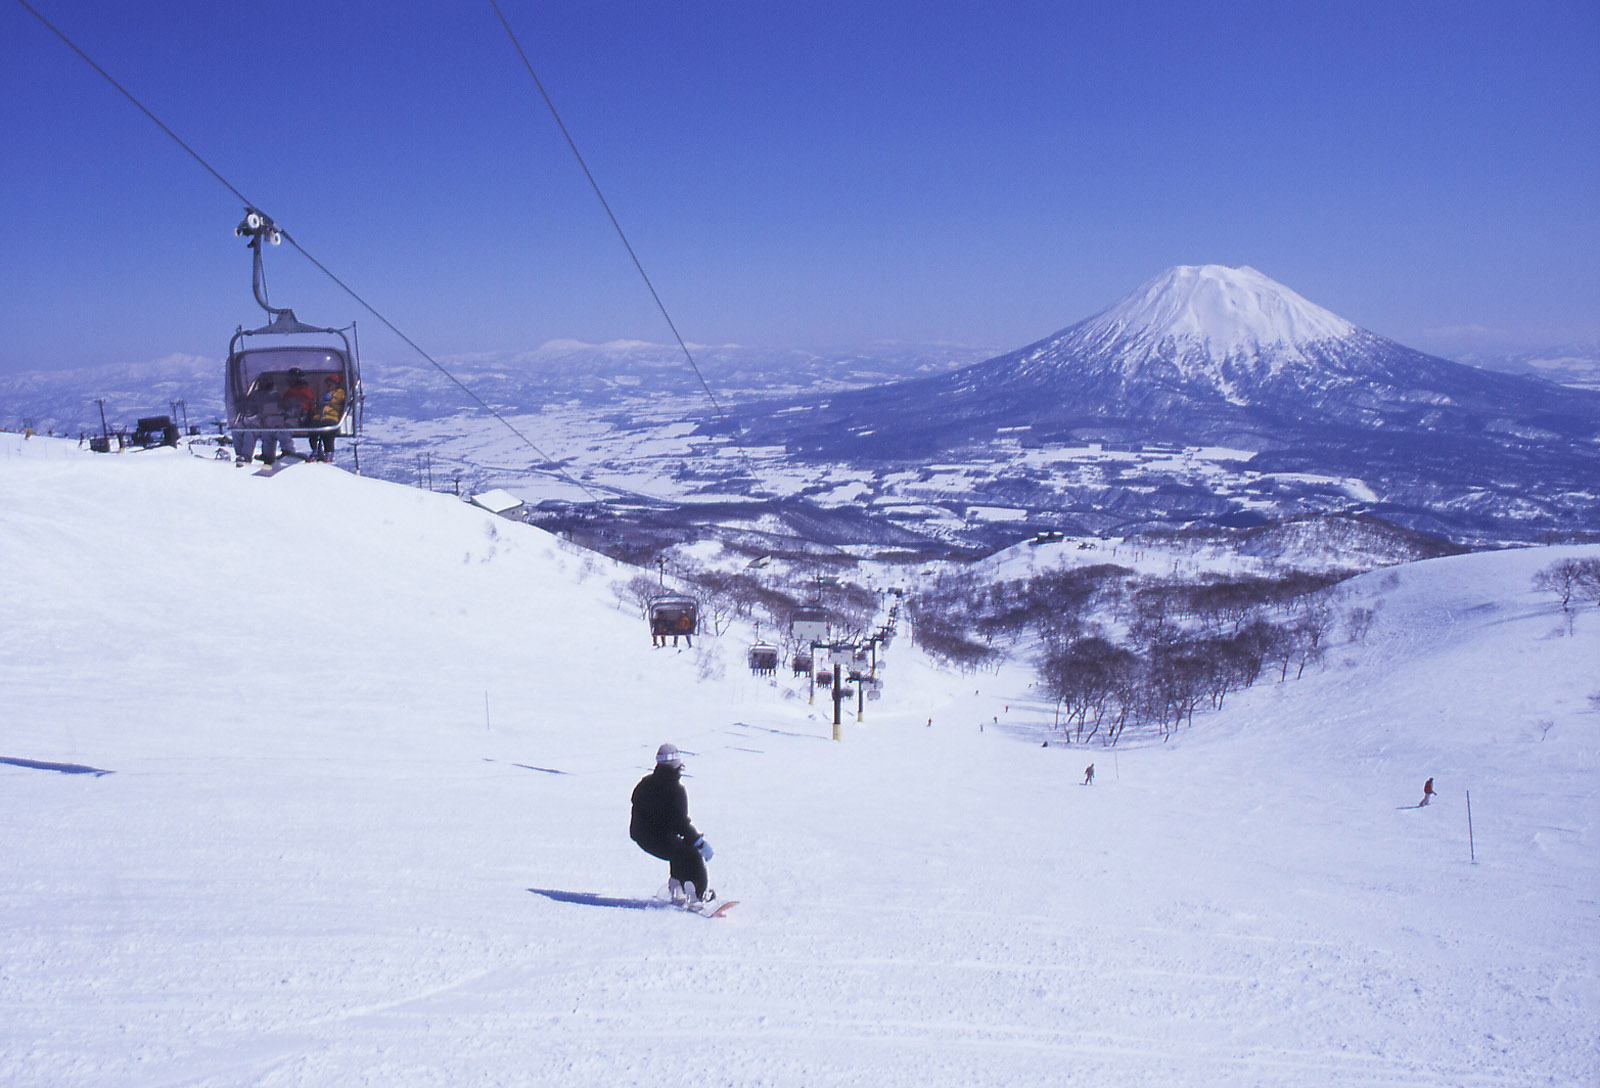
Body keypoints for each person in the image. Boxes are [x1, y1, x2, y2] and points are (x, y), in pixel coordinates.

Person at [630, 743, 715, 907]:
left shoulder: (644, 784)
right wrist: (699, 843)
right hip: (658, 837)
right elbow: (680, 823)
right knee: (692, 854)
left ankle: (677, 888)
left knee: (677, 849)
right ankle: (699, 895)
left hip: (642, 836)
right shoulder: (675, 789)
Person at [309, 373, 346, 461]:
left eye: (331, 383)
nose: (329, 385)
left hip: (331, 417)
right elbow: (315, 408)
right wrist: (317, 404)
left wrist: (330, 400)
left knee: (328, 435)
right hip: (319, 417)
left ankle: (329, 453)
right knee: (313, 431)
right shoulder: (323, 394)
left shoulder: (340, 393)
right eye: (328, 383)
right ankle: (315, 450)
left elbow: (340, 404)